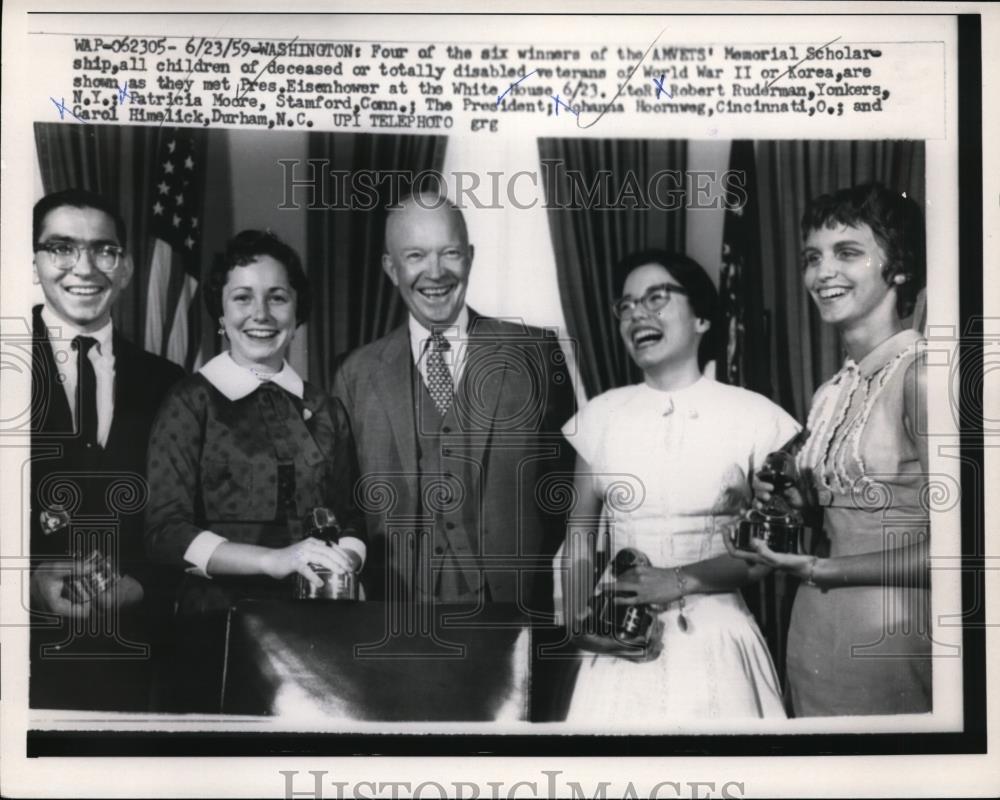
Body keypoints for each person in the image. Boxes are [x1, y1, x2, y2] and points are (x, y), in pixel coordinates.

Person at [561, 250, 799, 727]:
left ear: (703, 318)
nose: (637, 316)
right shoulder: (600, 418)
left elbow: (771, 550)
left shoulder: (756, 417)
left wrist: (678, 579)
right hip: (621, 641)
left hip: (719, 639)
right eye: (626, 306)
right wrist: (580, 623)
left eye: (656, 298)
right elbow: (579, 539)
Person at [144, 231, 365, 708]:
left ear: (297, 311)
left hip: (314, 635)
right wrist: (273, 560)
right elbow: (164, 533)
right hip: (214, 629)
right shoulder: (190, 401)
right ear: (221, 315)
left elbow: (351, 517)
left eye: (277, 298)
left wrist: (346, 560)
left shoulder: (326, 408)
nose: (261, 314)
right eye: (242, 297)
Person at [332, 193, 575, 613]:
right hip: (393, 618)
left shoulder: (536, 354)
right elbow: (346, 506)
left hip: (513, 618)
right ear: (391, 268)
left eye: (450, 253)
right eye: (415, 256)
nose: (436, 272)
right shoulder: (355, 375)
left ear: (471, 257)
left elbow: (566, 492)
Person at [741, 183, 931, 716]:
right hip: (813, 633)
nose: (823, 272)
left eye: (847, 253)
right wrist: (789, 503)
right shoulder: (832, 391)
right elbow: (844, 512)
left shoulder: (923, 376)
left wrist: (822, 571)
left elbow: (970, 551)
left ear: (899, 268)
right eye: (812, 258)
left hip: (892, 636)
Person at [28, 188, 185, 710]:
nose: (85, 268)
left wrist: (140, 586)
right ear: (34, 262)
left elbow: (191, 520)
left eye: (104, 250)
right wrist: (24, 582)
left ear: (127, 267)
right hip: (20, 659)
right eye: (61, 248)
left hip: (137, 664)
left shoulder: (170, 384)